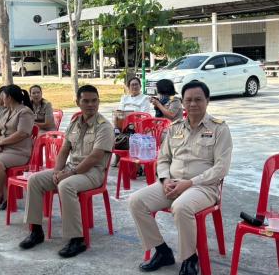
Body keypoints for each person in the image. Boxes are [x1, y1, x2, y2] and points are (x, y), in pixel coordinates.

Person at [129, 81, 233, 275]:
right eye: (188, 100)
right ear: (182, 103)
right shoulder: (175, 128)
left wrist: (190, 182)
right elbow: (163, 159)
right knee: (136, 201)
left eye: (198, 99)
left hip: (203, 187)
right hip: (172, 184)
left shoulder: (220, 129)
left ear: (207, 101)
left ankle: (189, 258)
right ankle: (162, 251)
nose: (193, 104)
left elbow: (221, 168)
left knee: (181, 206)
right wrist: (165, 180)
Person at [19, 85, 114, 258]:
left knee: (66, 186)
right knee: (35, 180)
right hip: (72, 169)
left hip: (93, 173)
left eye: (94, 101)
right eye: (86, 101)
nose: (90, 104)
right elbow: (64, 151)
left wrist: (68, 174)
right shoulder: (74, 124)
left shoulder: (104, 126)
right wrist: (57, 171)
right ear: (78, 102)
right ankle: (36, 231)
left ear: (99, 102)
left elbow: (95, 157)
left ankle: (77, 239)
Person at [0, 85, 34, 211]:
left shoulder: (25, 111)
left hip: (19, 151)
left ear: (9, 97)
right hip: (4, 149)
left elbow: (22, 133)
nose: (0, 98)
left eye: (2, 95)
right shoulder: (6, 111)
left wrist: (0, 143)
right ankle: (6, 194)